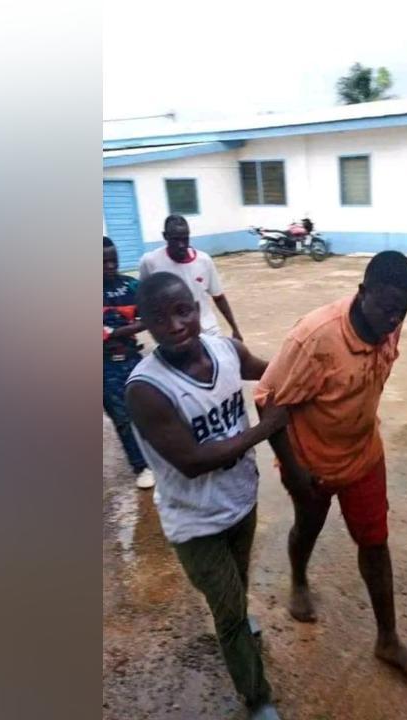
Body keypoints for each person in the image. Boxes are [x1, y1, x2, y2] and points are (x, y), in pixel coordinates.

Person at [254, 250, 407, 685]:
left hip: (363, 453)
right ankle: (299, 579)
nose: (394, 320)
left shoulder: (390, 319)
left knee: (375, 543)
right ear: (362, 292)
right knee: (308, 527)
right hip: (311, 464)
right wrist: (295, 472)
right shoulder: (313, 338)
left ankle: (387, 639)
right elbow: (268, 401)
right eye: (387, 308)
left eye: (403, 310)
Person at [124, 272, 287, 720]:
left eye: (183, 311)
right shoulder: (146, 390)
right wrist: (266, 429)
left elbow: (271, 372)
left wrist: (310, 360)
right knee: (229, 614)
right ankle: (258, 699)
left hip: (241, 500)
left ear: (198, 309)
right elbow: (193, 461)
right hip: (195, 523)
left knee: (238, 581)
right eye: (160, 318)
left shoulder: (226, 351)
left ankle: (238, 618)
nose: (176, 325)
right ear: (145, 324)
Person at [138, 214, 244, 341]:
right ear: (165, 236)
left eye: (185, 239)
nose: (181, 245)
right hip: (175, 331)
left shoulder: (204, 261)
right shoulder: (150, 262)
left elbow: (218, 297)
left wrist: (234, 329)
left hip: (208, 330)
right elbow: (143, 298)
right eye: (176, 240)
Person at [103, 236, 154, 489]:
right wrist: (124, 329)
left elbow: (149, 316)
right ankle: (140, 466)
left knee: (147, 410)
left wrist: (113, 333)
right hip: (103, 366)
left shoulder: (131, 286)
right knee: (122, 417)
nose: (110, 266)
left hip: (132, 358)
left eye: (114, 260)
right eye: (104, 262)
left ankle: (156, 457)